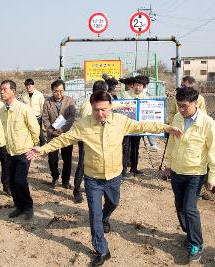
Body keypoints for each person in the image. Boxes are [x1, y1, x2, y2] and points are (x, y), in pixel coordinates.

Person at [27, 90, 182, 266]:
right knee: (94, 214)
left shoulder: (120, 121)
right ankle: (101, 249)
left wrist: (167, 128)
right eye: (96, 110)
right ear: (91, 108)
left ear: (110, 107)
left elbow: (143, 126)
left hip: (114, 175)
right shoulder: (83, 125)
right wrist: (43, 149)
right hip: (93, 178)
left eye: (104, 109)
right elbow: (64, 140)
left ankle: (105, 217)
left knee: (113, 203)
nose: (100, 113)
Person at [164, 87, 215, 262]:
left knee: (190, 208)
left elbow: (214, 151)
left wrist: (213, 177)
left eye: (184, 106)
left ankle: (197, 243)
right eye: (178, 106)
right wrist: (168, 165)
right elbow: (172, 144)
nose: (181, 110)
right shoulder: (177, 118)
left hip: (195, 173)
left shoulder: (207, 123)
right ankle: (189, 234)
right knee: (180, 208)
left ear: (195, 104)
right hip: (177, 171)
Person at [0, 80, 40, 220]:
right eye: (1, 89)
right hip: (9, 151)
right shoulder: (1, 110)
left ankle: (28, 207)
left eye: (5, 89)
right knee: (11, 181)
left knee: (20, 181)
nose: (2, 92)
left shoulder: (24, 108)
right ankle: (19, 207)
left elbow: (35, 128)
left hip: (24, 151)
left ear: (13, 92)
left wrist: (35, 147)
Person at [74, 80, 108, 203]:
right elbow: (88, 125)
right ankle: (76, 190)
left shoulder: (96, 103)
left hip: (98, 139)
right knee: (83, 164)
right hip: (86, 139)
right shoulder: (89, 105)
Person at [42, 79, 76, 189]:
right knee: (52, 159)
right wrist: (51, 131)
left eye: (61, 91)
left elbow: (71, 117)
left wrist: (62, 129)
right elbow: (45, 118)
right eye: (56, 91)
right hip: (52, 136)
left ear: (64, 90)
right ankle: (55, 177)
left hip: (66, 135)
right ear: (52, 91)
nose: (59, 93)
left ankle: (65, 180)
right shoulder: (47, 102)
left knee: (67, 159)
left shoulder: (70, 101)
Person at [127, 75, 159, 175]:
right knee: (124, 147)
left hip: (138, 128)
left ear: (144, 87)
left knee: (135, 147)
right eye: (136, 85)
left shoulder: (147, 97)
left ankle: (134, 167)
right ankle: (122, 169)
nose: (137, 87)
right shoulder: (126, 94)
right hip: (126, 126)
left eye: (140, 85)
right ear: (133, 85)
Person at [21, 78, 46, 146]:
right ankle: (31, 145)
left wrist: (43, 117)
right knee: (29, 131)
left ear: (33, 86)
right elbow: (22, 106)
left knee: (38, 131)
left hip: (37, 117)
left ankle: (43, 143)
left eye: (30, 85)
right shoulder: (24, 96)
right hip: (27, 117)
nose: (28, 87)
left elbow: (43, 106)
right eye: (27, 85)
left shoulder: (39, 95)